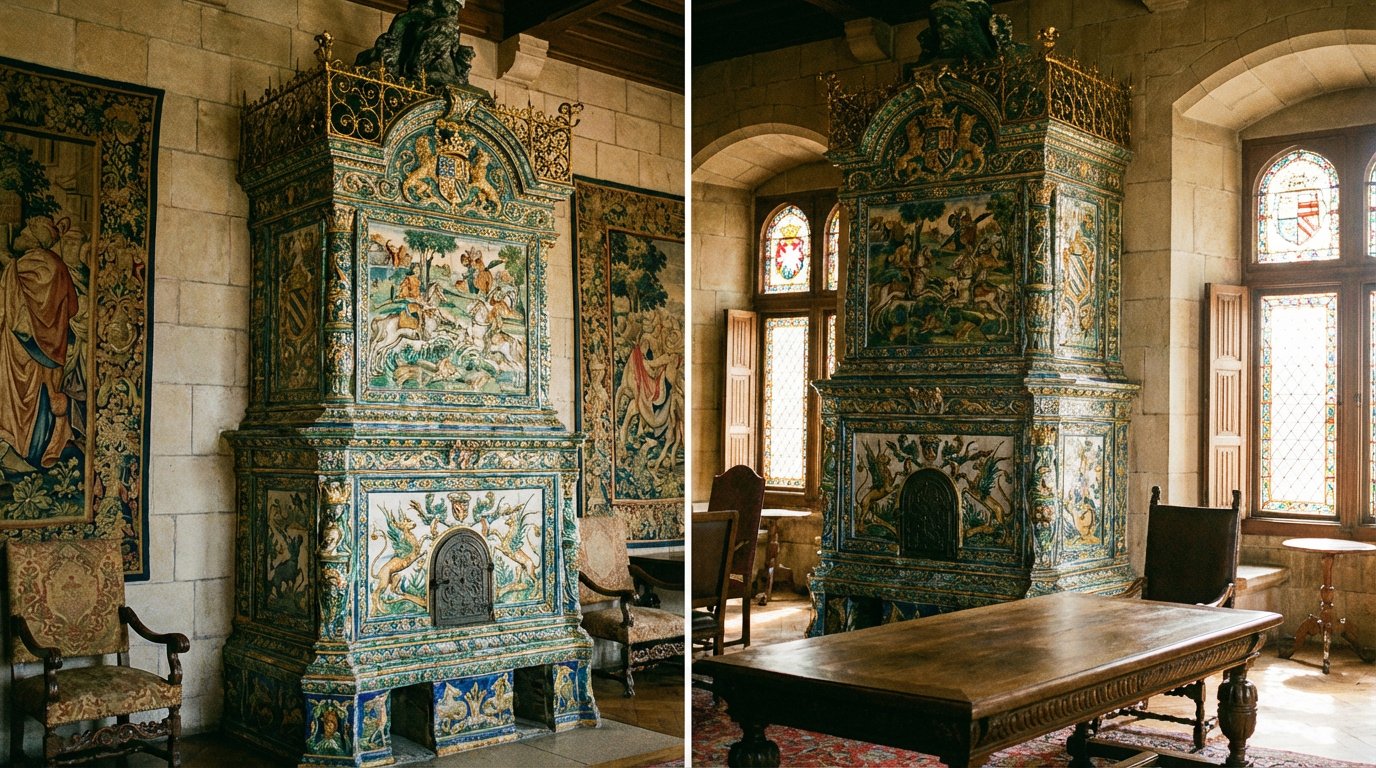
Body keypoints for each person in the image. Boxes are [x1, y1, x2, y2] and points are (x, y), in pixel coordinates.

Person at [0, 215, 80, 472]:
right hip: (51, 351)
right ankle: (31, 454)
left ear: (36, 236)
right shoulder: (57, 266)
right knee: (38, 400)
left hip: (25, 350)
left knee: (22, 400)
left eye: (26, 229)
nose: (21, 232)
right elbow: (73, 306)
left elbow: (14, 294)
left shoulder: (36, 262)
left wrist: (6, 263)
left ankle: (19, 453)